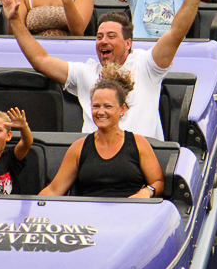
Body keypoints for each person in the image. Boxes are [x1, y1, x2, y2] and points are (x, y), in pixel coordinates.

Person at [0, 0, 210, 140]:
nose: (103, 41)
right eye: (99, 37)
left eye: (110, 36)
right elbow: (40, 60)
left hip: (140, 164)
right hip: (94, 163)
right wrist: (15, 22)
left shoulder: (146, 65)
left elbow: (176, 33)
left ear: (128, 43)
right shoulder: (86, 72)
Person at [39, 65, 165, 199]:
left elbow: (158, 182)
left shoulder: (139, 144)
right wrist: (31, 209)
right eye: (96, 106)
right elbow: (54, 190)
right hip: (90, 216)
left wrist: (146, 192)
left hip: (130, 213)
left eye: (108, 106)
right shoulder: (78, 148)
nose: (100, 112)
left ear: (122, 109)